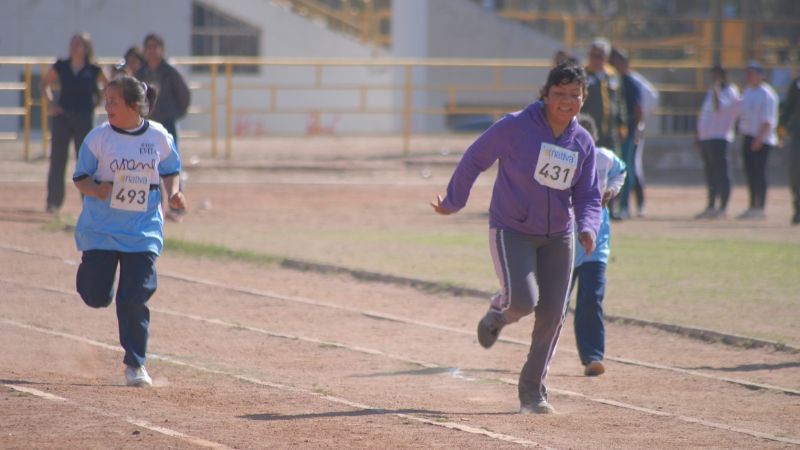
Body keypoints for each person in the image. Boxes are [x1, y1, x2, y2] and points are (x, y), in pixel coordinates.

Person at [431, 61, 601, 414]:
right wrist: (453, 201)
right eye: (559, 94)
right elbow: (475, 158)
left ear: (583, 99)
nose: (566, 101)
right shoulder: (515, 127)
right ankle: (498, 313)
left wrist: (588, 227)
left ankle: (532, 391)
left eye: (574, 95)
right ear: (545, 95)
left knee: (553, 314)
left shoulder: (582, 141)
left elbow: (587, 194)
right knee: (523, 301)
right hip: (513, 230)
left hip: (560, 237)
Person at [72, 75, 185, 387]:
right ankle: (100, 288)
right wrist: (96, 189)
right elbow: (80, 177)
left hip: (142, 230)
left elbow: (171, 170)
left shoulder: (159, 136)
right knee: (95, 295)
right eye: (106, 101)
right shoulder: (98, 139)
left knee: (135, 296)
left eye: (114, 102)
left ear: (135, 106)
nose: (107, 107)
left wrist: (173, 192)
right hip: (102, 230)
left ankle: (135, 364)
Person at [571, 114, 626, 377]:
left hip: (597, 239)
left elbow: (621, 170)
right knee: (553, 305)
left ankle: (593, 356)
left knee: (592, 298)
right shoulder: (562, 157)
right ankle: (543, 355)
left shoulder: (604, 158)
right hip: (562, 241)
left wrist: (612, 191)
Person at [40, 32, 108, 213]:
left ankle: (89, 200)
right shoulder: (61, 66)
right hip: (63, 117)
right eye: (72, 44)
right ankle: (53, 202)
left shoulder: (93, 69)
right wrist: (52, 104)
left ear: (86, 48)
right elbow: (45, 83)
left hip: (84, 118)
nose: (74, 47)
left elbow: (108, 86)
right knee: (57, 159)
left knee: (85, 161)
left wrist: (98, 102)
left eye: (78, 44)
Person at [135, 33, 191, 221]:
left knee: (171, 164)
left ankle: (176, 206)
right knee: (147, 164)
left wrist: (174, 114)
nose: (151, 50)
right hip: (146, 125)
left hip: (167, 123)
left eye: (155, 46)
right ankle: (151, 206)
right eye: (148, 46)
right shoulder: (140, 73)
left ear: (162, 49)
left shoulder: (170, 71)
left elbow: (184, 95)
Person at [581, 38, 624, 220]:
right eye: (593, 55)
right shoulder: (583, 74)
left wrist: (622, 123)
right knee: (588, 170)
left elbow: (619, 102)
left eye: (600, 56)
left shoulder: (612, 75)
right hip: (589, 132)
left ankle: (612, 207)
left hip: (610, 131)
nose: (596, 59)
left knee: (613, 169)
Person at [695, 65, 741, 219]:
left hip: (720, 137)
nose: (713, 79)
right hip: (707, 138)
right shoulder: (711, 92)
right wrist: (699, 136)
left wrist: (716, 89)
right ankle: (711, 205)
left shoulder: (730, 91)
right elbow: (705, 115)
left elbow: (719, 108)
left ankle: (723, 207)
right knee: (710, 173)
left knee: (722, 173)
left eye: (716, 76)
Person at [737, 61, 779, 220]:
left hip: (762, 138)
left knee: (759, 173)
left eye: (752, 73)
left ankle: (760, 207)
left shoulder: (767, 94)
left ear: (760, 75)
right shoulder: (748, 91)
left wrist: (759, 138)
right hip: (748, 136)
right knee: (750, 172)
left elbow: (768, 120)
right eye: (748, 73)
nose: (749, 77)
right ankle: (751, 205)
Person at [609, 48, 644, 219]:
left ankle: (625, 206)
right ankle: (614, 205)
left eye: (620, 62)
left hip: (627, 132)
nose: (617, 65)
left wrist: (636, 130)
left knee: (626, 168)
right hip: (612, 132)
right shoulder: (612, 80)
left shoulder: (631, 83)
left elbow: (638, 109)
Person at [779, 69, 800, 225]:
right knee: (796, 172)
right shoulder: (797, 83)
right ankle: (798, 209)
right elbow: (787, 109)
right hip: (798, 134)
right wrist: (781, 131)